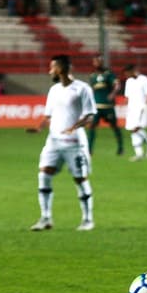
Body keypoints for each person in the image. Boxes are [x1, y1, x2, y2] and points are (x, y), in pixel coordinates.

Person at [26, 55, 97, 231]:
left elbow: (90, 116)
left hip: (74, 143)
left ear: (62, 69)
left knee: (80, 179)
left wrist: (74, 127)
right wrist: (39, 128)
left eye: (53, 68)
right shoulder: (54, 90)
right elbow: (49, 115)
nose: (50, 71)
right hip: (53, 141)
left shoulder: (82, 89)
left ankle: (88, 220)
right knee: (44, 175)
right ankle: (46, 218)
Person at [87, 54, 124, 155]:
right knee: (91, 126)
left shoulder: (108, 74)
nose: (96, 63)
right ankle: (89, 150)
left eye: (98, 61)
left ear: (101, 62)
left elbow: (117, 85)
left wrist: (112, 94)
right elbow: (92, 90)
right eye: (94, 61)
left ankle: (121, 148)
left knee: (114, 126)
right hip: (96, 107)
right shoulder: (93, 76)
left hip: (107, 106)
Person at [123, 64, 147, 161]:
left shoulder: (144, 79)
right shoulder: (128, 81)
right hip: (131, 108)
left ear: (133, 71)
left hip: (141, 108)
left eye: (127, 73)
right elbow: (127, 96)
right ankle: (139, 153)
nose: (126, 75)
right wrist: (126, 105)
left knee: (136, 128)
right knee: (132, 129)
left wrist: (145, 105)